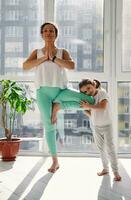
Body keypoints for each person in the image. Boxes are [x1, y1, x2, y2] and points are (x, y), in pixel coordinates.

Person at [23, 22, 95, 173]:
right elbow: (25, 66)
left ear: (56, 34)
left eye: (51, 31)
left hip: (61, 91)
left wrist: (54, 58)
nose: (48, 33)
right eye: (46, 31)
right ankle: (55, 161)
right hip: (43, 92)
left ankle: (60, 105)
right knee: (49, 125)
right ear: (42, 34)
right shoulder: (37, 52)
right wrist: (44, 58)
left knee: (89, 101)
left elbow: (71, 66)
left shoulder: (63, 51)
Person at [79, 79, 122, 181]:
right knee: (101, 149)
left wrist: (88, 106)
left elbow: (102, 106)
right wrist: (87, 112)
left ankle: (115, 172)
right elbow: (93, 113)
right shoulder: (90, 98)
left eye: (88, 88)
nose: (88, 92)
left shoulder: (102, 93)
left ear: (94, 85)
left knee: (110, 149)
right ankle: (105, 169)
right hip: (96, 126)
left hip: (107, 126)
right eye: (85, 92)